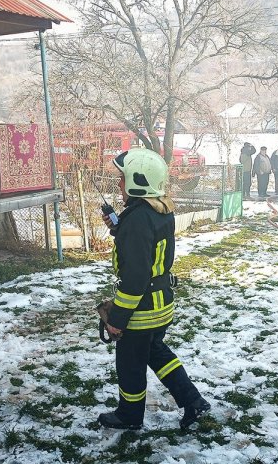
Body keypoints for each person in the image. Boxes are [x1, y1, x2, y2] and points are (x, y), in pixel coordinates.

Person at [98, 148, 210, 430]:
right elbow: (145, 245)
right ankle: (193, 402)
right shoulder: (158, 210)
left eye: (122, 178)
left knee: (130, 366)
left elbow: (135, 277)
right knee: (156, 353)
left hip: (141, 310)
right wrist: (118, 229)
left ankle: (129, 416)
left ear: (138, 180)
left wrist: (117, 320)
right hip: (161, 305)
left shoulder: (136, 219)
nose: (120, 184)